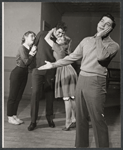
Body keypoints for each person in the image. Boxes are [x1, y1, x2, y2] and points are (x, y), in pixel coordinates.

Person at [38, 13, 119, 147]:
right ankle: (81, 146)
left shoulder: (113, 45)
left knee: (98, 119)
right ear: (98, 22)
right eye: (102, 21)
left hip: (96, 82)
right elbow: (72, 57)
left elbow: (101, 57)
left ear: (110, 29)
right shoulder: (86, 40)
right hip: (82, 79)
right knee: (81, 117)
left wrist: (98, 37)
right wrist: (53, 64)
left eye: (108, 24)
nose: (103, 24)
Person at [28, 22, 67, 131]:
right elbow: (33, 46)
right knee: (35, 94)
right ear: (55, 29)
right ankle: (33, 121)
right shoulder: (41, 34)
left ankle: (49, 118)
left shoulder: (60, 41)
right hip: (37, 70)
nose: (60, 35)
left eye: (62, 33)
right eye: (59, 32)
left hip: (50, 71)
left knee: (49, 95)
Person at [44, 28, 77, 131]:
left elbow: (46, 38)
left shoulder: (58, 47)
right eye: (58, 36)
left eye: (61, 37)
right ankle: (74, 119)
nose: (58, 38)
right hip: (70, 70)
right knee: (72, 98)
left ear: (63, 41)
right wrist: (61, 35)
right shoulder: (66, 46)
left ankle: (68, 122)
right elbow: (69, 39)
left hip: (64, 71)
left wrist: (53, 30)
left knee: (67, 99)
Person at [7, 31, 37, 125]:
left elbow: (31, 64)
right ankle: (10, 117)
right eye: (32, 36)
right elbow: (26, 62)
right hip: (17, 73)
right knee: (13, 96)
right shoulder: (22, 48)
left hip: (24, 73)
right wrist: (32, 54)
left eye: (34, 36)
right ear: (25, 37)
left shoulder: (29, 49)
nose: (33, 38)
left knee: (18, 96)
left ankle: (14, 115)